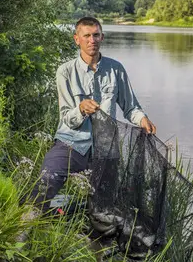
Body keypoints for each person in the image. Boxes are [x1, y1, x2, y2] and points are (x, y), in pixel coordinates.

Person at [28, 16, 156, 213]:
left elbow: (131, 108)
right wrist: (80, 109)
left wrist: (142, 119)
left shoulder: (116, 69)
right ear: (76, 39)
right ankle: (41, 217)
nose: (92, 40)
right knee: (45, 184)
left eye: (96, 35)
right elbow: (67, 118)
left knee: (106, 206)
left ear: (102, 37)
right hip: (70, 143)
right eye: (86, 35)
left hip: (106, 149)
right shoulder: (65, 71)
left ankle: (75, 213)